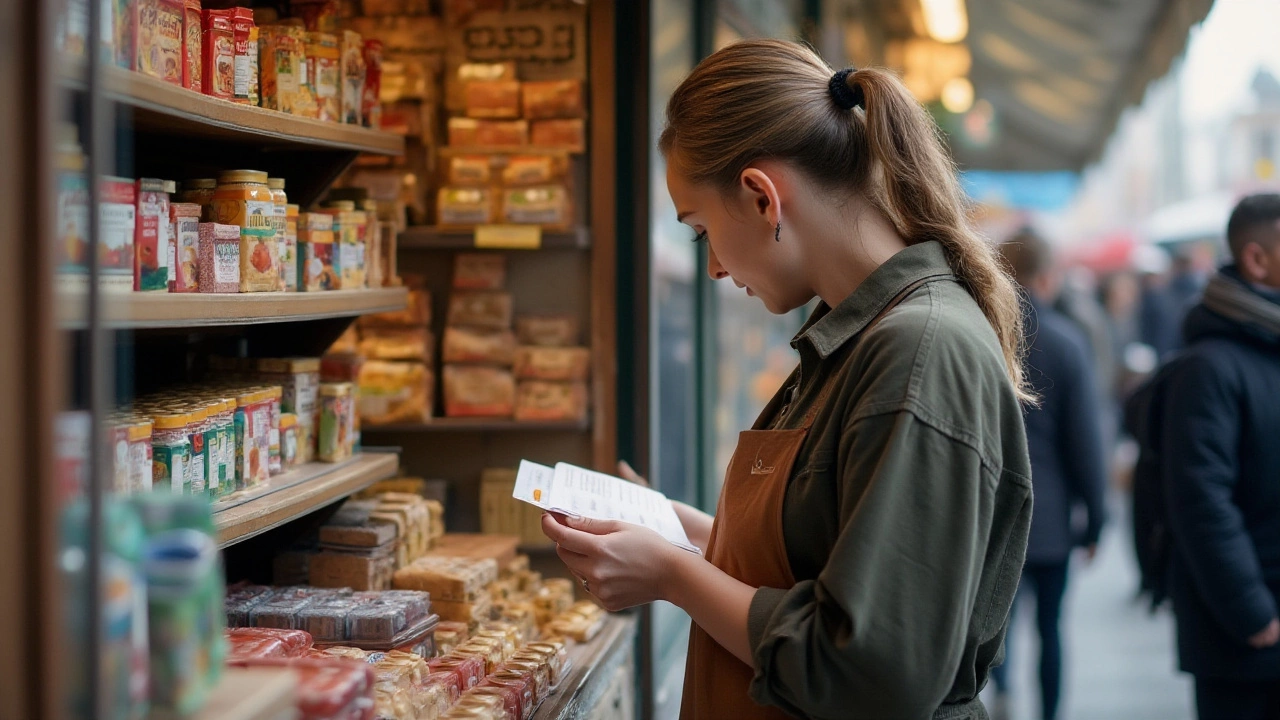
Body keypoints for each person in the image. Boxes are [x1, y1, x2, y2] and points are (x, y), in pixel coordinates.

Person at [539, 39, 1033, 719]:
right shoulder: (860, 337)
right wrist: (685, 533)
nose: (711, 266)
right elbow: (820, 558)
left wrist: (675, 575)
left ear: (760, 196)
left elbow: (870, 672)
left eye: (700, 230)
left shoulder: (917, 352)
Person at [1161, 193, 1280, 720]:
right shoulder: (1210, 367)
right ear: (1258, 260)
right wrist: (1252, 613)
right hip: (1247, 646)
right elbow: (1200, 498)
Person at [990, 231, 1108, 720]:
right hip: (1052, 517)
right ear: (1044, 276)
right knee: (1051, 627)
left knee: (994, 623)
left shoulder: (980, 333)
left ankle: (1001, 693)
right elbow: (1086, 443)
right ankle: (1050, 711)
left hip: (993, 514)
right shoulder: (1066, 342)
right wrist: (1095, 518)